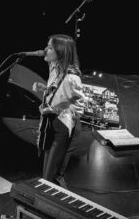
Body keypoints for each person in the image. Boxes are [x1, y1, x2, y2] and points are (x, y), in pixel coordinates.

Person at [31, 34, 86, 187]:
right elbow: (59, 92)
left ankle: (57, 205)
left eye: (50, 48)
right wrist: (45, 89)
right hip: (52, 122)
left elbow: (78, 107)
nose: (45, 50)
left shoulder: (72, 78)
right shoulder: (53, 67)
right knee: (46, 172)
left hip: (63, 125)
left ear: (60, 52)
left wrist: (54, 109)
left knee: (52, 175)